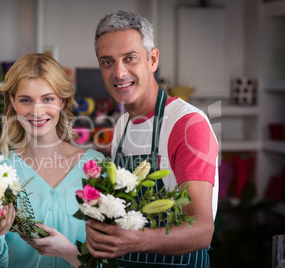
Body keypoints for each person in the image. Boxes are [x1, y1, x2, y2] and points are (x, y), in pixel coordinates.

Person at [85, 10, 219, 267]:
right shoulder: (122, 126)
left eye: (130, 58)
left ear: (153, 59)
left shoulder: (187, 124)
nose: (119, 73)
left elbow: (203, 230)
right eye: (107, 62)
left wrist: (136, 241)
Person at [0, 53, 104, 268]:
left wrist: (69, 253)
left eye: (47, 99)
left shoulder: (95, 167)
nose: (36, 111)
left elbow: (111, 258)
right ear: (13, 102)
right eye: (26, 100)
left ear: (62, 100)